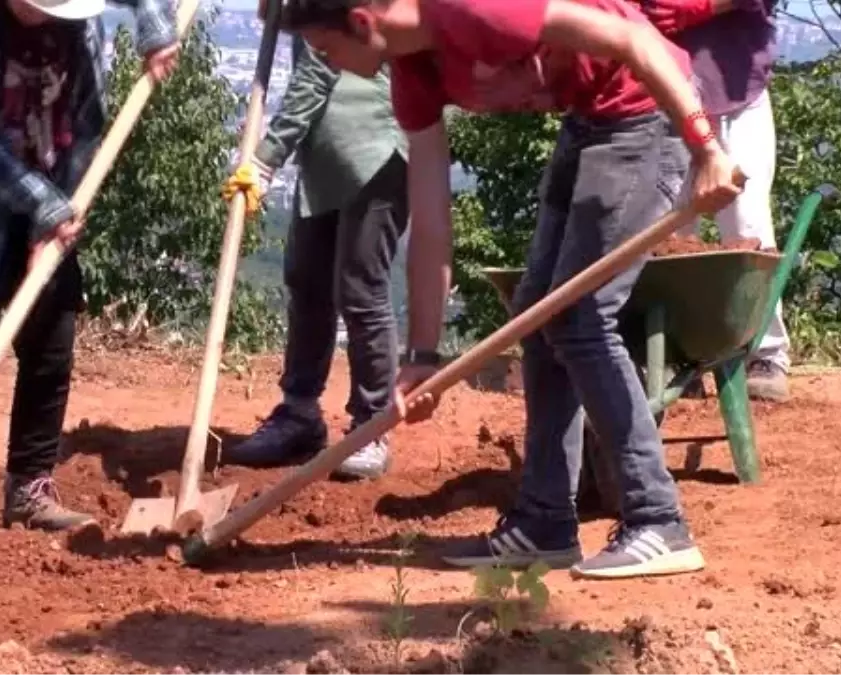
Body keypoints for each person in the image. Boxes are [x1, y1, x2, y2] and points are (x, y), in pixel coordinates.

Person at [275, 0, 744, 579]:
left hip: (648, 111)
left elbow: (636, 42)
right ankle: (544, 524)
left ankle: (658, 520)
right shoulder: (412, 74)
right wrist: (423, 357)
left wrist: (706, 149)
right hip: (591, 120)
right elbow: (431, 217)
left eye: (329, 51)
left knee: (581, 317)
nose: (336, 67)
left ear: (364, 22)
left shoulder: (473, 8)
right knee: (538, 316)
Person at [0, 0, 180, 546]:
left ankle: (29, 488)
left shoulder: (75, 21)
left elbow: (89, 120)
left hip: (55, 189)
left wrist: (155, 27)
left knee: (50, 346)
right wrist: (42, 207)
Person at [222, 35, 409, 480]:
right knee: (306, 282)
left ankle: (372, 425)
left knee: (361, 290)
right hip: (323, 155)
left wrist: (268, 156)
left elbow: (318, 67)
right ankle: (299, 414)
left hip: (376, 145)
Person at [640, 0, 789, 402]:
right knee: (667, 233)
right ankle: (677, 358)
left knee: (748, 225)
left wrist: (699, 7)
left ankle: (765, 352)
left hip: (736, 91)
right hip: (661, 92)